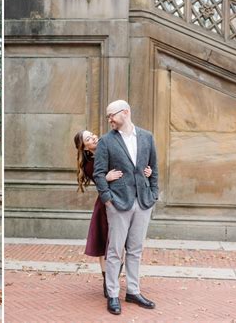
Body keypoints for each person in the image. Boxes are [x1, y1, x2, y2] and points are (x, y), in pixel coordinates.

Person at [93, 100, 158, 315]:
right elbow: (98, 173)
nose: (109, 119)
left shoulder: (147, 137)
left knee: (135, 250)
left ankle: (133, 291)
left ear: (126, 112)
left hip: (143, 202)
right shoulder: (106, 141)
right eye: (108, 116)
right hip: (118, 203)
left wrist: (153, 193)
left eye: (112, 115)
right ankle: (112, 294)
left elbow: (154, 168)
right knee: (114, 251)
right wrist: (107, 199)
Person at [74, 130, 152, 299]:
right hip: (106, 204)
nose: (94, 138)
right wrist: (105, 178)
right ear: (85, 148)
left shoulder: (109, 149)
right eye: (88, 139)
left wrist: (147, 172)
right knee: (105, 245)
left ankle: (114, 280)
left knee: (122, 245)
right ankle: (107, 282)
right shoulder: (89, 164)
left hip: (125, 200)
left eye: (93, 135)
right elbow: (98, 178)